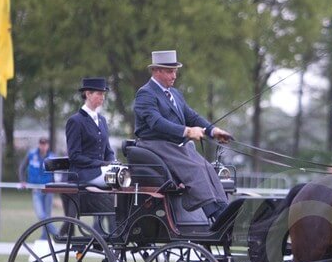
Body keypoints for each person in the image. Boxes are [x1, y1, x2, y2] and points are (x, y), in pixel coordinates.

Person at [133, 50, 233, 220]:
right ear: (156, 71)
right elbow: (155, 122)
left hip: (174, 146)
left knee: (207, 167)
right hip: (155, 145)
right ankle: (215, 214)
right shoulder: (146, 93)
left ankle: (222, 208)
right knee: (195, 168)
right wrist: (187, 131)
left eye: (175, 71)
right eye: (170, 72)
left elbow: (191, 116)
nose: (174, 76)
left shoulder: (175, 94)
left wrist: (213, 131)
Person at [64, 77, 116, 234]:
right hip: (83, 173)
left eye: (103, 94)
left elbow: (108, 150)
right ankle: (108, 231)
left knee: (123, 179)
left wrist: (113, 162)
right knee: (115, 182)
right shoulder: (75, 121)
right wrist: (101, 165)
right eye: (99, 94)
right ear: (88, 94)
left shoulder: (102, 120)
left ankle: (116, 229)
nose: (102, 97)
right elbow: (74, 156)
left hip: (101, 171)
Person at [18, 137, 57, 239]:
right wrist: (22, 180)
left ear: (47, 145)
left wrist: (56, 185)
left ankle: (45, 237)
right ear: (39, 145)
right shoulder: (31, 155)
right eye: (41, 144)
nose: (43, 146)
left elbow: (56, 175)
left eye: (45, 144)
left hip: (48, 189)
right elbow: (22, 167)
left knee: (47, 216)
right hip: (36, 189)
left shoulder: (52, 157)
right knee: (41, 214)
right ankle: (57, 233)